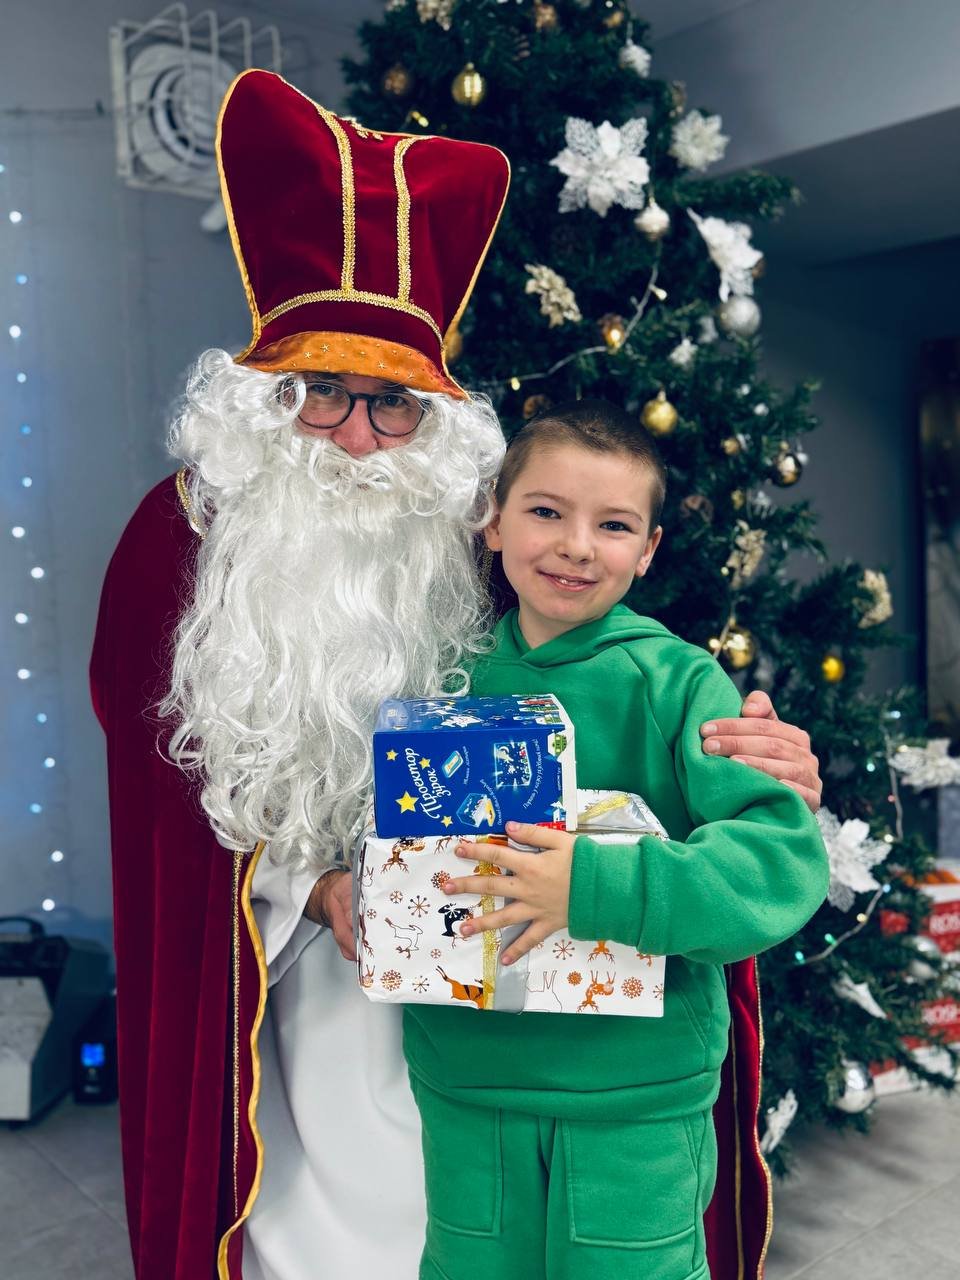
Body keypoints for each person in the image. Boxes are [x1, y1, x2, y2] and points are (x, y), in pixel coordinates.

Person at [90, 71, 822, 1280]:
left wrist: (758, 753)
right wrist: (305, 885)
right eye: (319, 393)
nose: (357, 434)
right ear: (262, 398)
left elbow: (614, 688)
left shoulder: (470, 534)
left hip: (508, 993)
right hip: (278, 979)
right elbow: (159, 798)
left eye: (392, 404)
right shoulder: (171, 543)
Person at [403, 401, 829, 1280]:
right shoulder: (438, 679)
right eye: (546, 511)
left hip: (635, 1096)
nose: (577, 546)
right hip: (466, 1083)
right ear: (493, 519)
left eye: (613, 525)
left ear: (648, 550)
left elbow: (779, 863)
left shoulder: (681, 683)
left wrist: (590, 888)